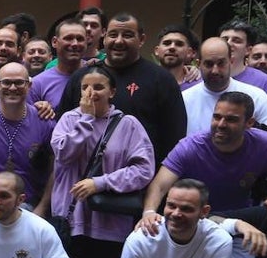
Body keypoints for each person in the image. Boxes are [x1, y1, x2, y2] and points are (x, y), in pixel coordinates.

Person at [50, 65, 155, 258]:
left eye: (99, 87)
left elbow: (143, 168)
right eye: (86, 87)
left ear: (112, 91)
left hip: (110, 222)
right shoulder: (68, 120)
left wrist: (102, 182)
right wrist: (84, 120)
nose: (91, 93)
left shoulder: (129, 124)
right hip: (72, 219)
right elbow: (64, 154)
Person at [56, 13, 186, 163]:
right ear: (104, 38)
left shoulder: (161, 80)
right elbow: (62, 131)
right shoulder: (81, 78)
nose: (118, 41)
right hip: (83, 178)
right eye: (113, 35)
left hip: (142, 178)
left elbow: (175, 138)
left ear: (141, 39)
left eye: (127, 35)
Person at [141, 93, 267, 222]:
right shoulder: (190, 147)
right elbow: (159, 186)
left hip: (243, 218)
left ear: (249, 123)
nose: (221, 124)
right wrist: (149, 212)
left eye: (231, 119)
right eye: (217, 117)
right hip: (196, 220)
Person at [0, 62, 54, 207]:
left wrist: (42, 208)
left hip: (30, 206)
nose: (12, 88)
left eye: (19, 82)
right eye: (6, 83)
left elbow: (56, 168)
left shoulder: (44, 122)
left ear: (29, 86)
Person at [181, 37, 267, 135]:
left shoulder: (256, 97)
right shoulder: (184, 100)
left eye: (221, 63)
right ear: (199, 64)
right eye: (209, 64)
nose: (215, 70)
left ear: (231, 61)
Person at [31, 19, 85, 107]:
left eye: (80, 39)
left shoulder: (96, 74)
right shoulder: (38, 83)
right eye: (68, 38)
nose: (75, 43)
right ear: (55, 42)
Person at [220, 19, 267, 95]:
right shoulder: (205, 75)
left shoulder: (264, 82)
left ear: (248, 50)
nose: (229, 43)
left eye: (236, 40)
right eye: (225, 39)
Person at [154, 24, 201, 90]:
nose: (172, 47)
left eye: (179, 44)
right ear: (157, 50)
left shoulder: (199, 85)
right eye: (167, 43)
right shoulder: (143, 80)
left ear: (189, 52)